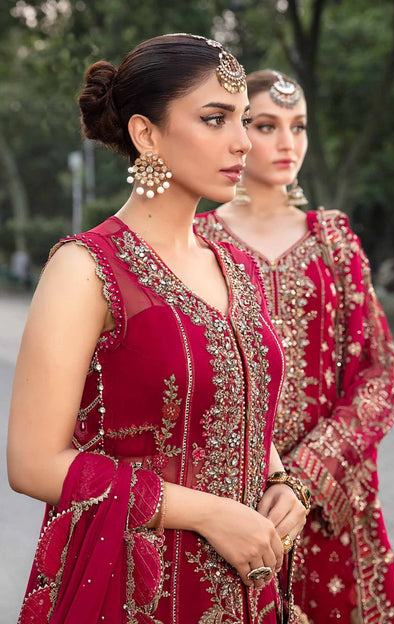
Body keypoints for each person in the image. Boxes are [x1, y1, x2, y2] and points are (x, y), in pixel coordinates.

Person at [7, 37, 309, 624]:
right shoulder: (87, 269)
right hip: (136, 587)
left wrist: (281, 482)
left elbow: (235, 408)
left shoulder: (233, 262)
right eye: (215, 119)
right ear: (147, 135)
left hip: (251, 582)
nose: (243, 141)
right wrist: (209, 513)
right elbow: (32, 462)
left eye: (243, 120)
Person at [195, 69, 394, 623]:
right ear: (237, 132)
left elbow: (380, 372)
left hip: (331, 502)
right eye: (267, 126)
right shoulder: (198, 243)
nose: (288, 142)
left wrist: (310, 473)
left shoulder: (335, 242)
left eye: (299, 126)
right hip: (234, 503)